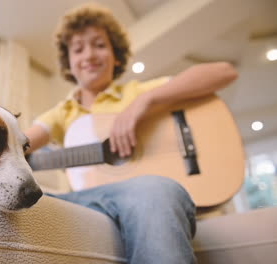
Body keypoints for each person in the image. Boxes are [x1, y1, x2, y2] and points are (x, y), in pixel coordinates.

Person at [24, 3, 238, 264]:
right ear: (69, 62)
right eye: (78, 49)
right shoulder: (62, 113)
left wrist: (143, 103)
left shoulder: (136, 93)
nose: (89, 55)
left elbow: (224, 72)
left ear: (116, 55)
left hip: (147, 195)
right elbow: (20, 144)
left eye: (100, 45)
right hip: (90, 202)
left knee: (154, 189)